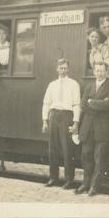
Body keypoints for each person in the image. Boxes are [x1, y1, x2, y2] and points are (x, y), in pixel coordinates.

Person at [74, 62, 109, 196]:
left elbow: (107, 105)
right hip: (88, 127)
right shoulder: (89, 86)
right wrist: (97, 104)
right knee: (86, 156)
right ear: (94, 72)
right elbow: (83, 105)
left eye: (102, 71)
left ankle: (94, 187)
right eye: (97, 71)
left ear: (106, 72)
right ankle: (85, 184)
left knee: (99, 159)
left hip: (103, 129)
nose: (99, 73)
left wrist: (92, 102)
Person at [42, 58, 81, 189]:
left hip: (67, 116)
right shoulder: (52, 84)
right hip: (53, 115)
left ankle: (69, 180)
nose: (63, 70)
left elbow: (77, 104)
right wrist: (44, 121)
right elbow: (46, 103)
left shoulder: (74, 84)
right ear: (57, 69)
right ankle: (53, 178)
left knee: (67, 149)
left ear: (68, 69)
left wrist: (76, 123)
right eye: (61, 68)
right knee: (52, 148)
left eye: (65, 68)